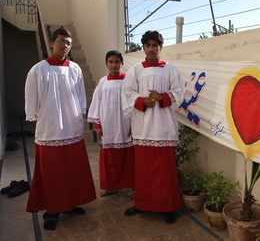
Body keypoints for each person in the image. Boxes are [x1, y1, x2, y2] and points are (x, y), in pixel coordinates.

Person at [24, 28, 96, 231]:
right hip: (50, 128)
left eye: (68, 42)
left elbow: (80, 97)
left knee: (72, 169)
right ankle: (52, 210)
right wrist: (42, 118)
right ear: (52, 43)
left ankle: (70, 204)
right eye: (61, 41)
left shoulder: (75, 69)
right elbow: (32, 100)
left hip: (71, 128)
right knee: (52, 172)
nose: (65, 45)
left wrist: (79, 117)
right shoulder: (39, 69)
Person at [121, 31, 186, 224]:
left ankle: (167, 207)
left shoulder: (170, 70)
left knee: (164, 170)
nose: (151, 49)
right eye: (148, 45)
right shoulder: (136, 70)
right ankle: (142, 204)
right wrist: (142, 101)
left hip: (163, 126)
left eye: (155, 45)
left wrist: (162, 97)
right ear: (143, 47)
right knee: (143, 170)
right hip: (143, 126)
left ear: (160, 47)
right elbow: (127, 93)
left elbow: (180, 93)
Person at [87, 50, 134, 198]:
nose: (114, 65)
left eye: (117, 62)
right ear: (106, 64)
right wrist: (98, 126)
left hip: (125, 124)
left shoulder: (129, 81)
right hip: (107, 125)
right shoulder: (103, 82)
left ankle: (131, 183)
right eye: (111, 62)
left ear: (122, 63)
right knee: (109, 158)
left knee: (128, 157)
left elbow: (134, 104)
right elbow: (97, 104)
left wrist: (134, 126)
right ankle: (110, 186)